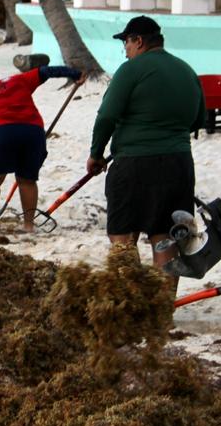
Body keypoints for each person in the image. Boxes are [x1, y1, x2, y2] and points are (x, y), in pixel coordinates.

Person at [86, 15, 205, 266]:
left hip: (135, 164)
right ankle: (162, 303)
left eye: (126, 45)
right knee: (166, 237)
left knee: (123, 237)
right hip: (179, 164)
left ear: (138, 41)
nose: (126, 52)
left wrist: (96, 154)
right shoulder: (187, 70)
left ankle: (132, 300)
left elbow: (107, 115)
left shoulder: (131, 69)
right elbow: (198, 120)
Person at [0, 65, 84, 235]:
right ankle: (28, 226)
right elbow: (46, 71)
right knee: (27, 180)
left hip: (3, 131)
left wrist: (2, 167)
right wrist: (75, 74)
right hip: (33, 132)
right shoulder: (18, 80)